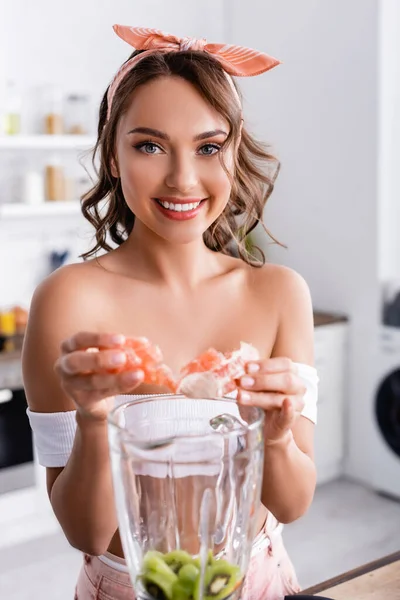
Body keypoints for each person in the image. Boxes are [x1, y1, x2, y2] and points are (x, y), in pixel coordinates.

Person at [23, 25, 319, 600]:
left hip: (258, 581)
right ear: (113, 152)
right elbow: (83, 531)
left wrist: (278, 439)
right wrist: (95, 418)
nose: (183, 179)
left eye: (209, 147)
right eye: (150, 145)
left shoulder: (281, 293)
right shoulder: (67, 299)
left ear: (234, 153)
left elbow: (293, 503)